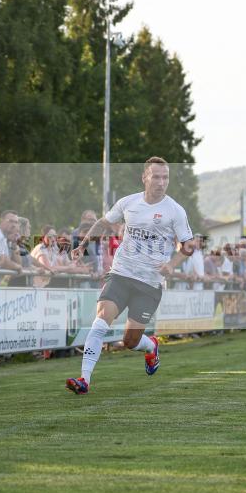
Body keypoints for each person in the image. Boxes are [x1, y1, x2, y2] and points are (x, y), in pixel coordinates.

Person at [66, 157, 194, 395]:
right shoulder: (128, 203)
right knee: (101, 319)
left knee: (130, 341)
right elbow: (104, 223)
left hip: (149, 283)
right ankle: (84, 380)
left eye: (165, 177)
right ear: (144, 177)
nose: (161, 182)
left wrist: (172, 264)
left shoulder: (175, 210)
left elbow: (188, 245)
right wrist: (83, 244)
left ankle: (151, 346)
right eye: (156, 176)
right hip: (121, 274)